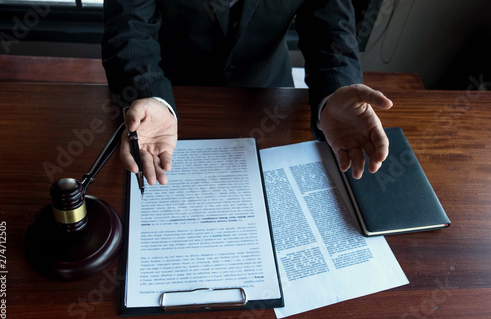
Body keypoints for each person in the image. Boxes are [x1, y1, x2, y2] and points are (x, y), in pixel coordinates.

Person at [101, 0, 393, 185]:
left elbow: (330, 30)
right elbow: (129, 30)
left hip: (267, 96)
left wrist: (335, 90)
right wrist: (149, 93)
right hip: (172, 96)